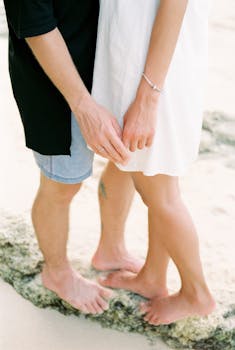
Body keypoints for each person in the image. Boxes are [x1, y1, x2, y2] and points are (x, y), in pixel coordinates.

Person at [3, 0, 137, 315]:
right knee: (63, 182)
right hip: (56, 81)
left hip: (112, 62)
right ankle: (57, 272)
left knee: (128, 161)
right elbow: (34, 23)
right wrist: (84, 105)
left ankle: (112, 249)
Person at [92, 0, 216, 325]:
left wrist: (148, 96)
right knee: (140, 166)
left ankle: (196, 293)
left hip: (148, 64)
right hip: (140, 52)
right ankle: (150, 273)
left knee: (160, 188)